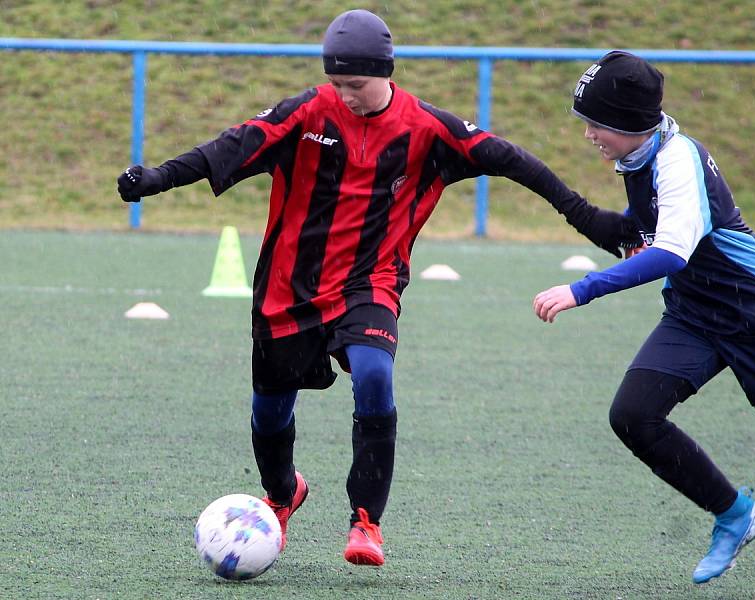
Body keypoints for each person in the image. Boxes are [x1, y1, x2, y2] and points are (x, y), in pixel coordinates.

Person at [117, 10, 640, 567]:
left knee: (373, 374)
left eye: (357, 85)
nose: (346, 96)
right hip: (287, 288)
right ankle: (282, 493)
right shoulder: (304, 114)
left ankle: (365, 521)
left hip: (372, 282)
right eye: (337, 84)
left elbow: (513, 161)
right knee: (269, 413)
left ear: (385, 73)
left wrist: (590, 219)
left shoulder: (428, 129)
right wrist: (157, 178)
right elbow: (225, 149)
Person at [533, 50, 755, 584]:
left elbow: (669, 253)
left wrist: (581, 290)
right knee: (634, 416)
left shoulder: (678, 160)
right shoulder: (639, 159)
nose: (589, 134)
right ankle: (736, 515)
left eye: (596, 123)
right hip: (696, 317)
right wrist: (546, 186)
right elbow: (633, 233)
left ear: (630, 124)